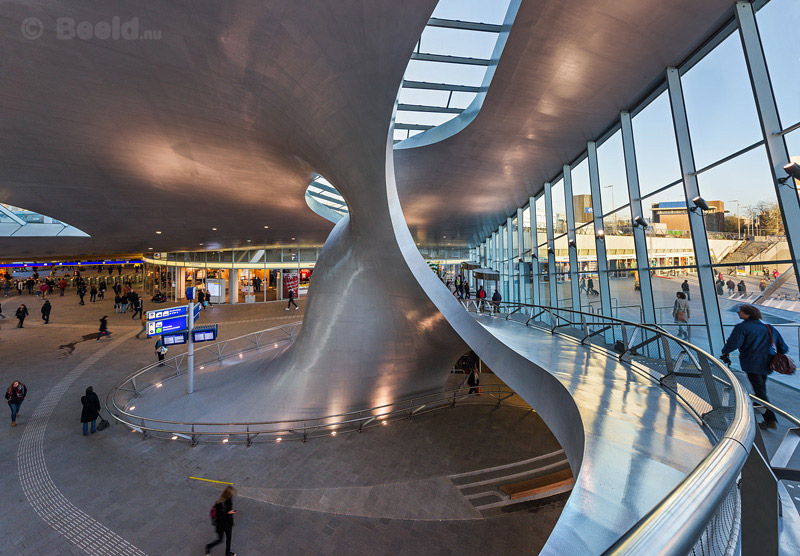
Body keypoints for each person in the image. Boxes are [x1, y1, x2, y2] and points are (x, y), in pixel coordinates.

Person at [720, 304, 786, 430]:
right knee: (760, 387)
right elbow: (783, 347)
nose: (738, 314)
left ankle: (770, 419)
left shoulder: (742, 327)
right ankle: (757, 407)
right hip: (767, 364)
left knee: (760, 391)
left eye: (740, 312)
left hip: (751, 363)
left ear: (747, 314)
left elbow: (734, 343)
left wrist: (725, 352)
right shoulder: (769, 328)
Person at [205, 485, 237, 556]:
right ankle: (208, 547)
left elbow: (229, 509)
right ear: (228, 494)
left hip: (228, 524)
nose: (232, 494)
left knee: (229, 539)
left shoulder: (229, 500)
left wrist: (230, 512)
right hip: (221, 525)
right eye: (231, 493)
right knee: (220, 540)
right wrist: (228, 512)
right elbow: (219, 516)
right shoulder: (219, 503)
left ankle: (227, 553)